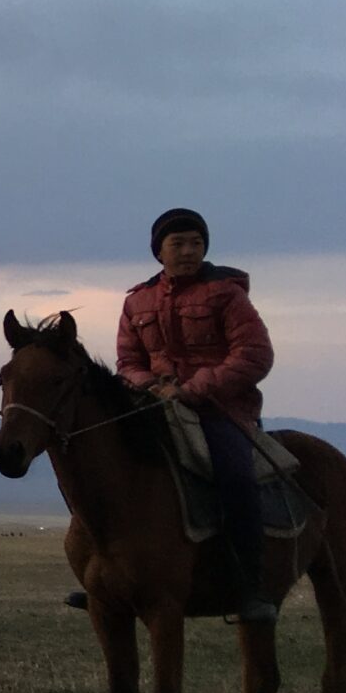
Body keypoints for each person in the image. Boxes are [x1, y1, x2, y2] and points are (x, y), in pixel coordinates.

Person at [64, 207, 277, 623]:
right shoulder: (137, 301)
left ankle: (250, 585)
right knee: (100, 463)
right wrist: (149, 386)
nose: (188, 251)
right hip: (151, 404)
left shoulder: (227, 294)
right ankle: (104, 576)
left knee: (235, 474)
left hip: (220, 409)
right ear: (158, 252)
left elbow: (254, 355)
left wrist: (192, 389)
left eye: (196, 243)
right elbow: (127, 361)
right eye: (177, 244)